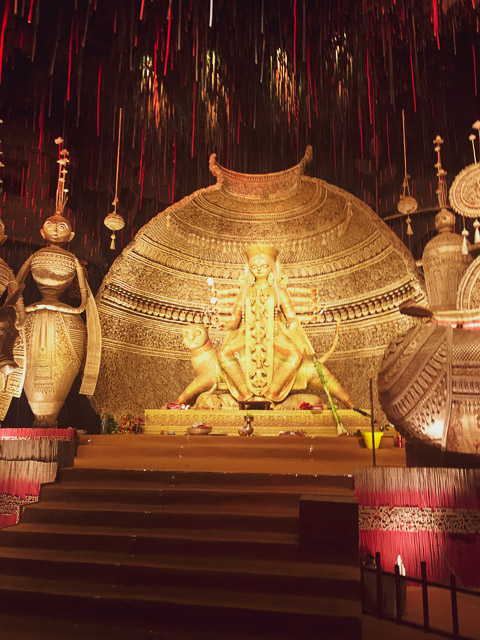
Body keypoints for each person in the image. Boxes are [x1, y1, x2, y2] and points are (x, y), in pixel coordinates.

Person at [16, 214, 100, 426]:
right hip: (34, 314)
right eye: (50, 226)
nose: (55, 231)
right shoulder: (36, 256)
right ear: (42, 232)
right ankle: (39, 416)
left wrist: (79, 308)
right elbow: (15, 286)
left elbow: (84, 295)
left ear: (70, 235)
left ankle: (51, 416)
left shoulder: (73, 261)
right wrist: (18, 309)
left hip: (65, 317)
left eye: (61, 227)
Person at [217, 244, 312, 403]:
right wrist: (226, 325)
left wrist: (294, 328)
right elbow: (235, 319)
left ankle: (273, 391)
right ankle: (245, 393)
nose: (259, 269)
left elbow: (291, 318)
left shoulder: (279, 292)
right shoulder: (245, 292)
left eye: (264, 265)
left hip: (274, 334)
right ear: (249, 269)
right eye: (254, 266)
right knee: (222, 354)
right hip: (247, 335)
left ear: (272, 268)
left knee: (295, 354)